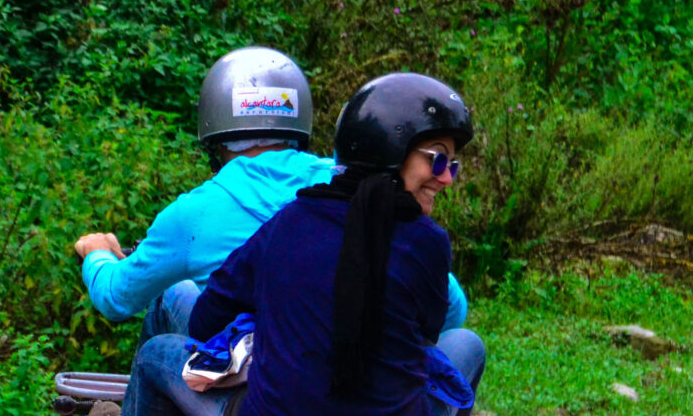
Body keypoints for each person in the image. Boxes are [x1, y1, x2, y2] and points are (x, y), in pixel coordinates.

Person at [96, 72, 484, 416]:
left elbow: (204, 321)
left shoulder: (289, 222)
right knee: (468, 344)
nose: (445, 178)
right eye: (437, 159)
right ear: (391, 150)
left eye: (451, 164)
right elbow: (429, 335)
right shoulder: (429, 241)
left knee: (157, 353)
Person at [74, 47, 468, 341]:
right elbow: (451, 307)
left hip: (252, 386)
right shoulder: (354, 187)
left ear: (214, 136)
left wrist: (97, 255)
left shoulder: (193, 215)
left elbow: (116, 298)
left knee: (172, 293)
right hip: (350, 373)